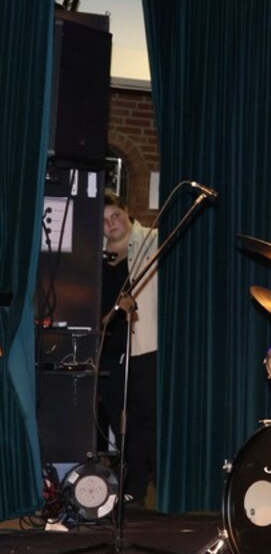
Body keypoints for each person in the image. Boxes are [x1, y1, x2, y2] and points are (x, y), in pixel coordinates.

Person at [100, 190, 159, 506]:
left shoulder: (152, 242)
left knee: (147, 414)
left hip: (144, 345)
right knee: (120, 419)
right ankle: (133, 484)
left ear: (127, 212)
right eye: (104, 221)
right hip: (109, 351)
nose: (111, 224)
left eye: (115, 216)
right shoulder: (94, 255)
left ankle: (153, 483)